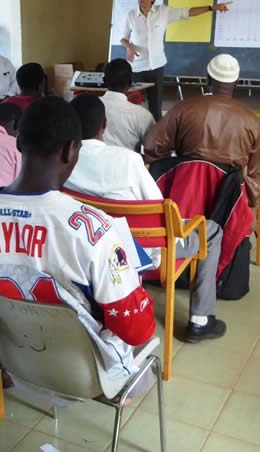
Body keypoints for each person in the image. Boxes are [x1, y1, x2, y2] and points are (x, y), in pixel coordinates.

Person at [0, 96, 156, 380]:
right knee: (143, 360)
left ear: (19, 142)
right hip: (85, 378)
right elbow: (137, 330)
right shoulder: (95, 229)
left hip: (14, 365)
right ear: (71, 150)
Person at [66, 94, 226, 342]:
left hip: (87, 248)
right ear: (103, 126)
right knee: (212, 230)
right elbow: (157, 207)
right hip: (136, 250)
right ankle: (200, 320)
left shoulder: (62, 160)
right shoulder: (127, 160)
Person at [143, 54, 260, 208]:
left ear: (207, 79)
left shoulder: (184, 108)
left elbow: (151, 145)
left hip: (187, 187)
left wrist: (175, 166)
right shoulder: (251, 119)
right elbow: (253, 168)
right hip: (230, 192)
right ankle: (242, 223)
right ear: (238, 82)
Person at [119, 0, 231, 120]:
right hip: (136, 67)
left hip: (157, 67)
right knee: (134, 106)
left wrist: (212, 7)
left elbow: (187, 12)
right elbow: (122, 38)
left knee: (156, 108)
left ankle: (156, 137)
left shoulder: (163, 12)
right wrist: (129, 46)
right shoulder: (131, 15)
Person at [100, 58, 155, 151]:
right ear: (130, 82)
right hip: (128, 164)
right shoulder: (142, 115)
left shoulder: (89, 108)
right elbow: (153, 147)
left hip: (93, 163)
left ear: (104, 81)